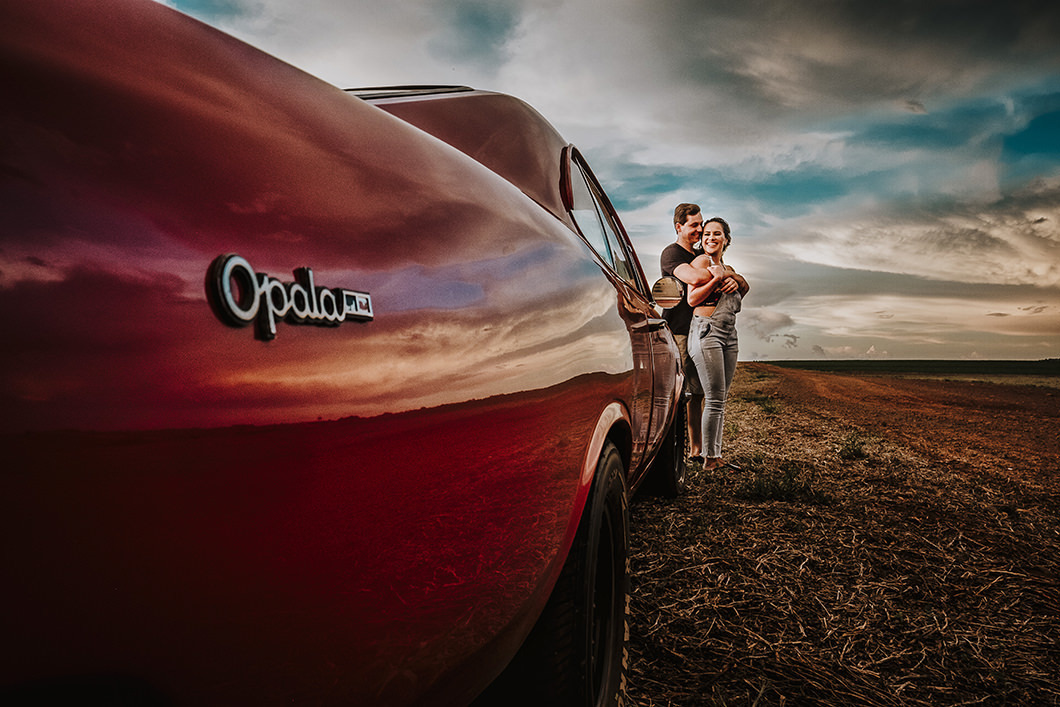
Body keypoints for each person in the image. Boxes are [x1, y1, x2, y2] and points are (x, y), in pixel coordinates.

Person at [685, 217, 749, 471]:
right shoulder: (701, 262)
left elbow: (743, 288)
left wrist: (734, 278)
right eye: (707, 234)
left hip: (729, 333)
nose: (710, 238)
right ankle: (709, 460)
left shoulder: (728, 266)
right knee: (712, 398)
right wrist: (715, 280)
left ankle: (716, 454)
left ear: (726, 239)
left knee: (720, 399)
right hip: (706, 331)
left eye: (717, 234)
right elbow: (692, 299)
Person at [660, 203, 708, 460]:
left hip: (700, 331)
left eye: (701, 224)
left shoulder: (704, 255)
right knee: (677, 393)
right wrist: (717, 271)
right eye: (693, 225)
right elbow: (694, 278)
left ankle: (696, 450)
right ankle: (669, 451)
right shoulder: (671, 253)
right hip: (677, 331)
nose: (699, 230)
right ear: (679, 227)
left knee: (697, 392)